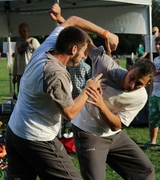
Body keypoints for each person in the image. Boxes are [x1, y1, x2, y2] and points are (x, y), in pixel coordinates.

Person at [5, 3, 119, 180]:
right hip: (36, 138)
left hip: (15, 131)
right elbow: (70, 113)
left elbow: (73, 21)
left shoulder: (48, 46)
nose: (84, 57)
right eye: (83, 52)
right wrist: (88, 89)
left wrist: (106, 34)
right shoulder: (55, 73)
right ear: (73, 49)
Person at [52, 4, 156, 180]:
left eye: (138, 84)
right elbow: (85, 41)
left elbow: (117, 125)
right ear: (129, 68)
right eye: (132, 78)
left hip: (114, 134)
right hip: (88, 131)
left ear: (146, 84)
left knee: (145, 171)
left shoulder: (141, 97)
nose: (131, 85)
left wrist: (101, 105)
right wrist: (63, 21)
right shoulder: (107, 66)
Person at [143, 36, 160, 149]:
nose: (157, 46)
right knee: (153, 119)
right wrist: (150, 94)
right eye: (156, 44)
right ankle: (153, 141)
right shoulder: (156, 60)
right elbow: (152, 78)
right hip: (155, 95)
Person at [13, 23, 40, 93]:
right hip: (20, 74)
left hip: (31, 73)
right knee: (21, 94)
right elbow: (15, 59)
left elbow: (40, 56)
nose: (22, 33)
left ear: (28, 31)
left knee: (30, 93)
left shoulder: (34, 41)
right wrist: (14, 74)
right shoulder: (18, 43)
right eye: (20, 31)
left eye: (24, 31)